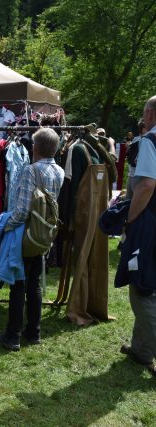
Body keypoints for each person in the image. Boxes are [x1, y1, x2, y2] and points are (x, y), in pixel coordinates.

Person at [0, 128, 65, 351]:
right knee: (34, 282)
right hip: (44, 235)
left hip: (25, 235)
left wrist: (3, 225)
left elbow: (22, 211)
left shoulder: (31, 171)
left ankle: (12, 336)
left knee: (18, 284)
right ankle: (33, 332)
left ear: (35, 148)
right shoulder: (60, 171)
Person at [121, 95, 156, 375]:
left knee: (141, 291)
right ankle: (141, 351)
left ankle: (146, 349)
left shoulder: (149, 142)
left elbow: (145, 185)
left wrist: (130, 219)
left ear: (149, 114)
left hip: (150, 224)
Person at [126, 120, 146, 200]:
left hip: (131, 176)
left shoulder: (136, 140)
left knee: (128, 204)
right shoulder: (144, 141)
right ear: (144, 129)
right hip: (139, 178)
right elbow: (137, 161)